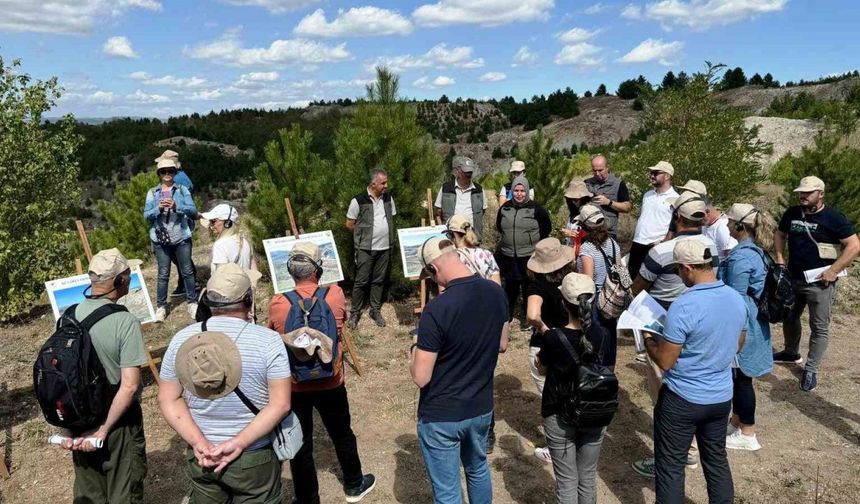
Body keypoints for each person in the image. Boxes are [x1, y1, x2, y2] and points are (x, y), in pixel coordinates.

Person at [158, 264, 292, 503]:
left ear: (207, 301)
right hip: (254, 454)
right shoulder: (268, 341)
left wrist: (199, 443)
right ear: (248, 300)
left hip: (203, 457)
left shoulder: (181, 339)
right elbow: (280, 405)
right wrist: (237, 443)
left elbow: (168, 398)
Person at [267, 241, 376, 504]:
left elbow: (274, 336)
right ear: (317, 270)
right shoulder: (335, 295)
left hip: (295, 384)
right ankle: (353, 484)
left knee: (300, 444)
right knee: (342, 433)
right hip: (332, 379)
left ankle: (307, 498)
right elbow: (339, 328)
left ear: (291, 271)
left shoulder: (278, 303)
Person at [643, 239, 747, 504]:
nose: (679, 274)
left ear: (687, 268)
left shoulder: (684, 305)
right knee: (716, 460)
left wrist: (648, 341)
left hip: (682, 397)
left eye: (679, 269)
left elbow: (666, 361)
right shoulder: (736, 298)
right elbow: (738, 343)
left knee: (670, 467)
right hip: (721, 396)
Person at [410, 237, 509, 504]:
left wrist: (414, 348)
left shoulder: (436, 310)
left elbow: (421, 377)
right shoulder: (496, 292)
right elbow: (502, 344)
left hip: (442, 414)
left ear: (434, 269)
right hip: (481, 407)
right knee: (477, 468)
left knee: (447, 490)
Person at [630, 192, 718, 477]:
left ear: (677, 217)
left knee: (664, 394)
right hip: (703, 322)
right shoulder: (711, 245)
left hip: (663, 325)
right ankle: (691, 448)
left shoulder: (663, 251)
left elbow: (638, 287)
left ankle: (671, 455)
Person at [55, 248, 148, 504]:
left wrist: (69, 429)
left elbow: (62, 376)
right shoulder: (124, 321)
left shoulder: (68, 316)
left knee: (89, 495)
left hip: (79, 419)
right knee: (124, 494)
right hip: (117, 424)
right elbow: (129, 386)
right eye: (128, 275)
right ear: (119, 281)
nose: (130, 279)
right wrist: (103, 430)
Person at [772, 176, 859, 391]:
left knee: (819, 326)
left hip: (820, 282)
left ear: (821, 194)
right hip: (794, 277)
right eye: (801, 192)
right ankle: (791, 352)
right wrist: (780, 258)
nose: (803, 195)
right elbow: (780, 234)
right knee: (790, 317)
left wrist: (833, 270)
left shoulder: (834, 218)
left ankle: (811, 369)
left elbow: (854, 245)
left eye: (808, 192)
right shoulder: (792, 213)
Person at [536, 273, 607, 504]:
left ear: (563, 303)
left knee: (567, 481)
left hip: (559, 410)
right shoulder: (602, 335)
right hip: (595, 409)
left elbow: (543, 368)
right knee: (587, 475)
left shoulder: (553, 338)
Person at [718, 203, 776, 451]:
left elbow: (736, 296)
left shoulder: (742, 255)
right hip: (753, 319)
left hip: (745, 322)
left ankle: (748, 433)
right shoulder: (757, 251)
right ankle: (736, 422)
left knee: (742, 378)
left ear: (740, 225)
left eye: (731, 222)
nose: (728, 225)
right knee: (738, 376)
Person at [526, 237, 576, 463]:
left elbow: (532, 315)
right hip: (574, 341)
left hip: (546, 345)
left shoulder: (538, 285)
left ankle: (555, 445)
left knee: (550, 395)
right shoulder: (574, 280)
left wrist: (546, 331)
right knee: (572, 390)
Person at [144, 157, 198, 321]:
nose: (167, 174)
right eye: (163, 171)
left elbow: (192, 209)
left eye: (170, 171)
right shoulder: (152, 193)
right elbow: (146, 215)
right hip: (161, 239)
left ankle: (192, 302)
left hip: (181, 236)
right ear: (159, 174)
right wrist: (158, 208)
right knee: (163, 273)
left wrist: (177, 207)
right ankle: (161, 306)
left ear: (175, 172)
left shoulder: (182, 190)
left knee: (187, 271)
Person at [496, 176, 552, 321]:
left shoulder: (536, 209)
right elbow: (499, 227)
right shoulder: (505, 207)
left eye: (522, 190)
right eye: (516, 190)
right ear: (512, 191)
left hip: (529, 255)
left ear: (527, 191)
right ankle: (507, 314)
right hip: (509, 255)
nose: (519, 194)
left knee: (529, 286)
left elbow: (546, 229)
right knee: (510, 287)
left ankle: (528, 316)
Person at [346, 168, 396, 328]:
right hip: (365, 248)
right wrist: (363, 235)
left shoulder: (388, 198)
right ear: (373, 183)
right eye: (383, 183)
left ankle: (375, 310)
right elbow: (349, 224)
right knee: (361, 281)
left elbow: (390, 218)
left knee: (379, 280)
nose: (386, 185)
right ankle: (355, 313)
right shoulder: (358, 200)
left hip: (385, 247)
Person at [575, 204, 622, 368]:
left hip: (597, 301)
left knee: (595, 342)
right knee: (610, 340)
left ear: (584, 226)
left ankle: (596, 375)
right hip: (612, 298)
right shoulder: (613, 243)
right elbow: (620, 270)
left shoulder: (587, 248)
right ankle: (609, 374)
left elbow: (589, 280)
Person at [156, 149, 200, 300]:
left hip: (180, 223)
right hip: (180, 222)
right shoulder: (181, 176)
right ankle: (187, 283)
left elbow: (185, 205)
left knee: (179, 256)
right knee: (180, 256)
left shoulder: (179, 181)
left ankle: (191, 284)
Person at [629, 161, 679, 279]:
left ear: (667, 176)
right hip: (638, 243)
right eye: (651, 173)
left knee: (649, 280)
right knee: (631, 277)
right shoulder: (647, 194)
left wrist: (664, 243)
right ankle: (630, 298)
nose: (651, 176)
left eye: (655, 173)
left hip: (655, 245)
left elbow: (675, 226)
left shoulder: (676, 198)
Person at [435, 156, 488, 242]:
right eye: (466, 171)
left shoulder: (479, 190)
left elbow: (482, 211)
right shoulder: (446, 188)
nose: (468, 174)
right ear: (457, 171)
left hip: (472, 238)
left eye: (470, 171)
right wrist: (442, 233)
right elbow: (438, 212)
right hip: (451, 238)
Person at [200, 203, 257, 274]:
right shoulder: (244, 240)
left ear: (227, 223)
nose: (211, 225)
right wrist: (253, 285)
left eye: (213, 221)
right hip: (246, 284)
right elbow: (254, 271)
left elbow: (221, 277)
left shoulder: (220, 245)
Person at [584, 154, 631, 239]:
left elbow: (627, 208)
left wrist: (608, 202)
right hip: (588, 231)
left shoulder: (619, 184)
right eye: (594, 171)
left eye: (600, 170)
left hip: (608, 233)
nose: (597, 174)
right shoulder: (587, 183)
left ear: (607, 167)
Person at [445, 214, 502, 285]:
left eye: (448, 235)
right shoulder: (487, 254)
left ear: (453, 235)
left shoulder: (454, 259)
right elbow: (497, 284)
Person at [561, 180, 592, 256]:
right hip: (571, 252)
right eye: (570, 200)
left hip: (584, 254)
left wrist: (574, 234)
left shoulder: (588, 213)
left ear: (584, 198)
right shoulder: (573, 212)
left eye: (575, 200)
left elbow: (592, 235)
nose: (573, 202)